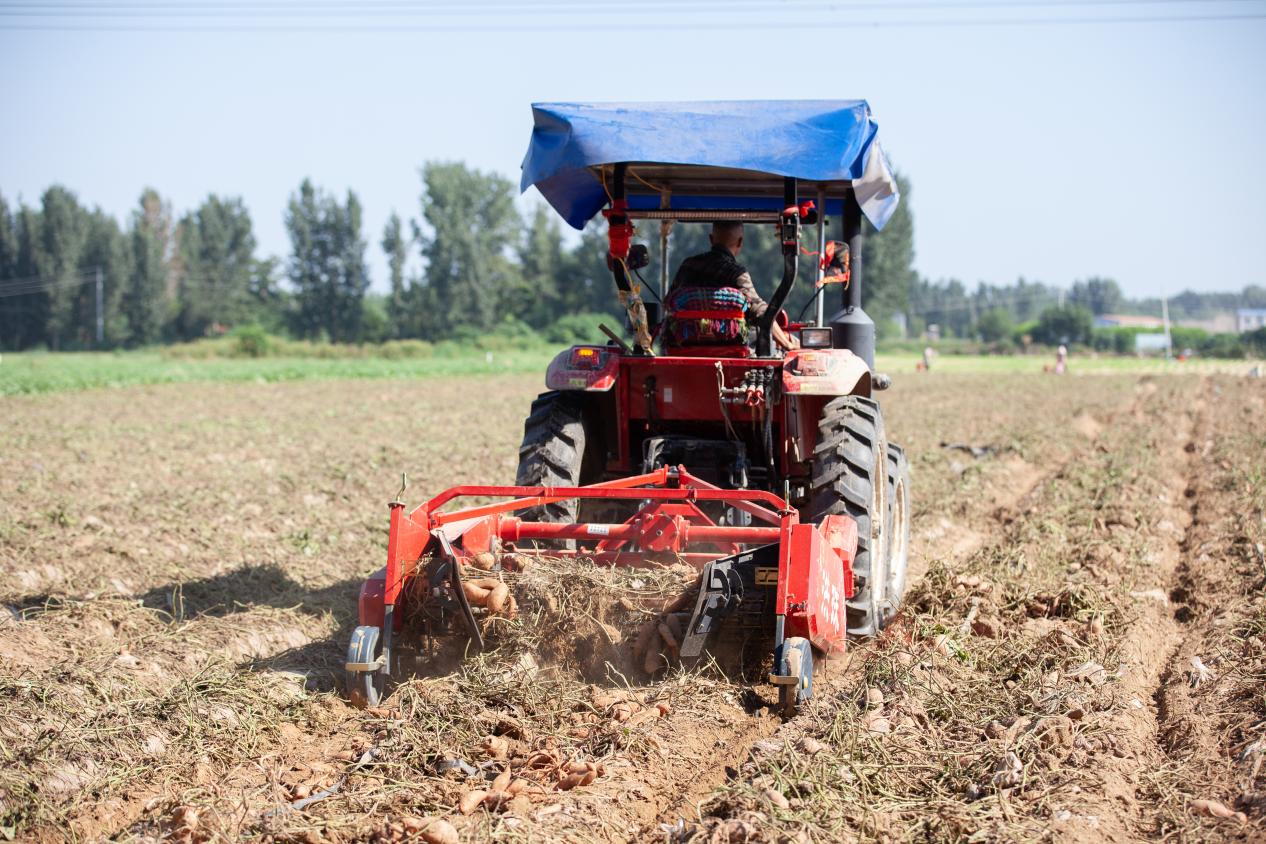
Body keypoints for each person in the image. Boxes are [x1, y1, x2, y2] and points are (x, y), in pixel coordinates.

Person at [668, 221, 798, 351]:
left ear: (711, 239)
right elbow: (760, 312)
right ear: (740, 242)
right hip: (730, 346)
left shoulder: (688, 266)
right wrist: (787, 344)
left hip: (683, 343)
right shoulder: (737, 273)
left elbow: (669, 302)